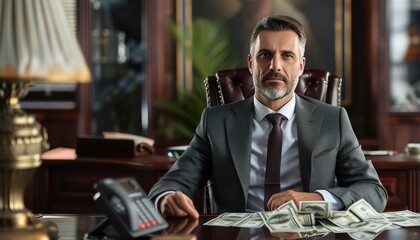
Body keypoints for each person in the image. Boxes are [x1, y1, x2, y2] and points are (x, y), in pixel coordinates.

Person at [148, 15, 387, 218]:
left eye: (287, 56)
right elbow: (171, 183)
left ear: (301, 66)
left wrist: (315, 200)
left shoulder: (332, 120)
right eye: (265, 54)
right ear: (251, 63)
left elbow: (373, 192)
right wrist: (168, 197)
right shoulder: (216, 121)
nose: (275, 66)